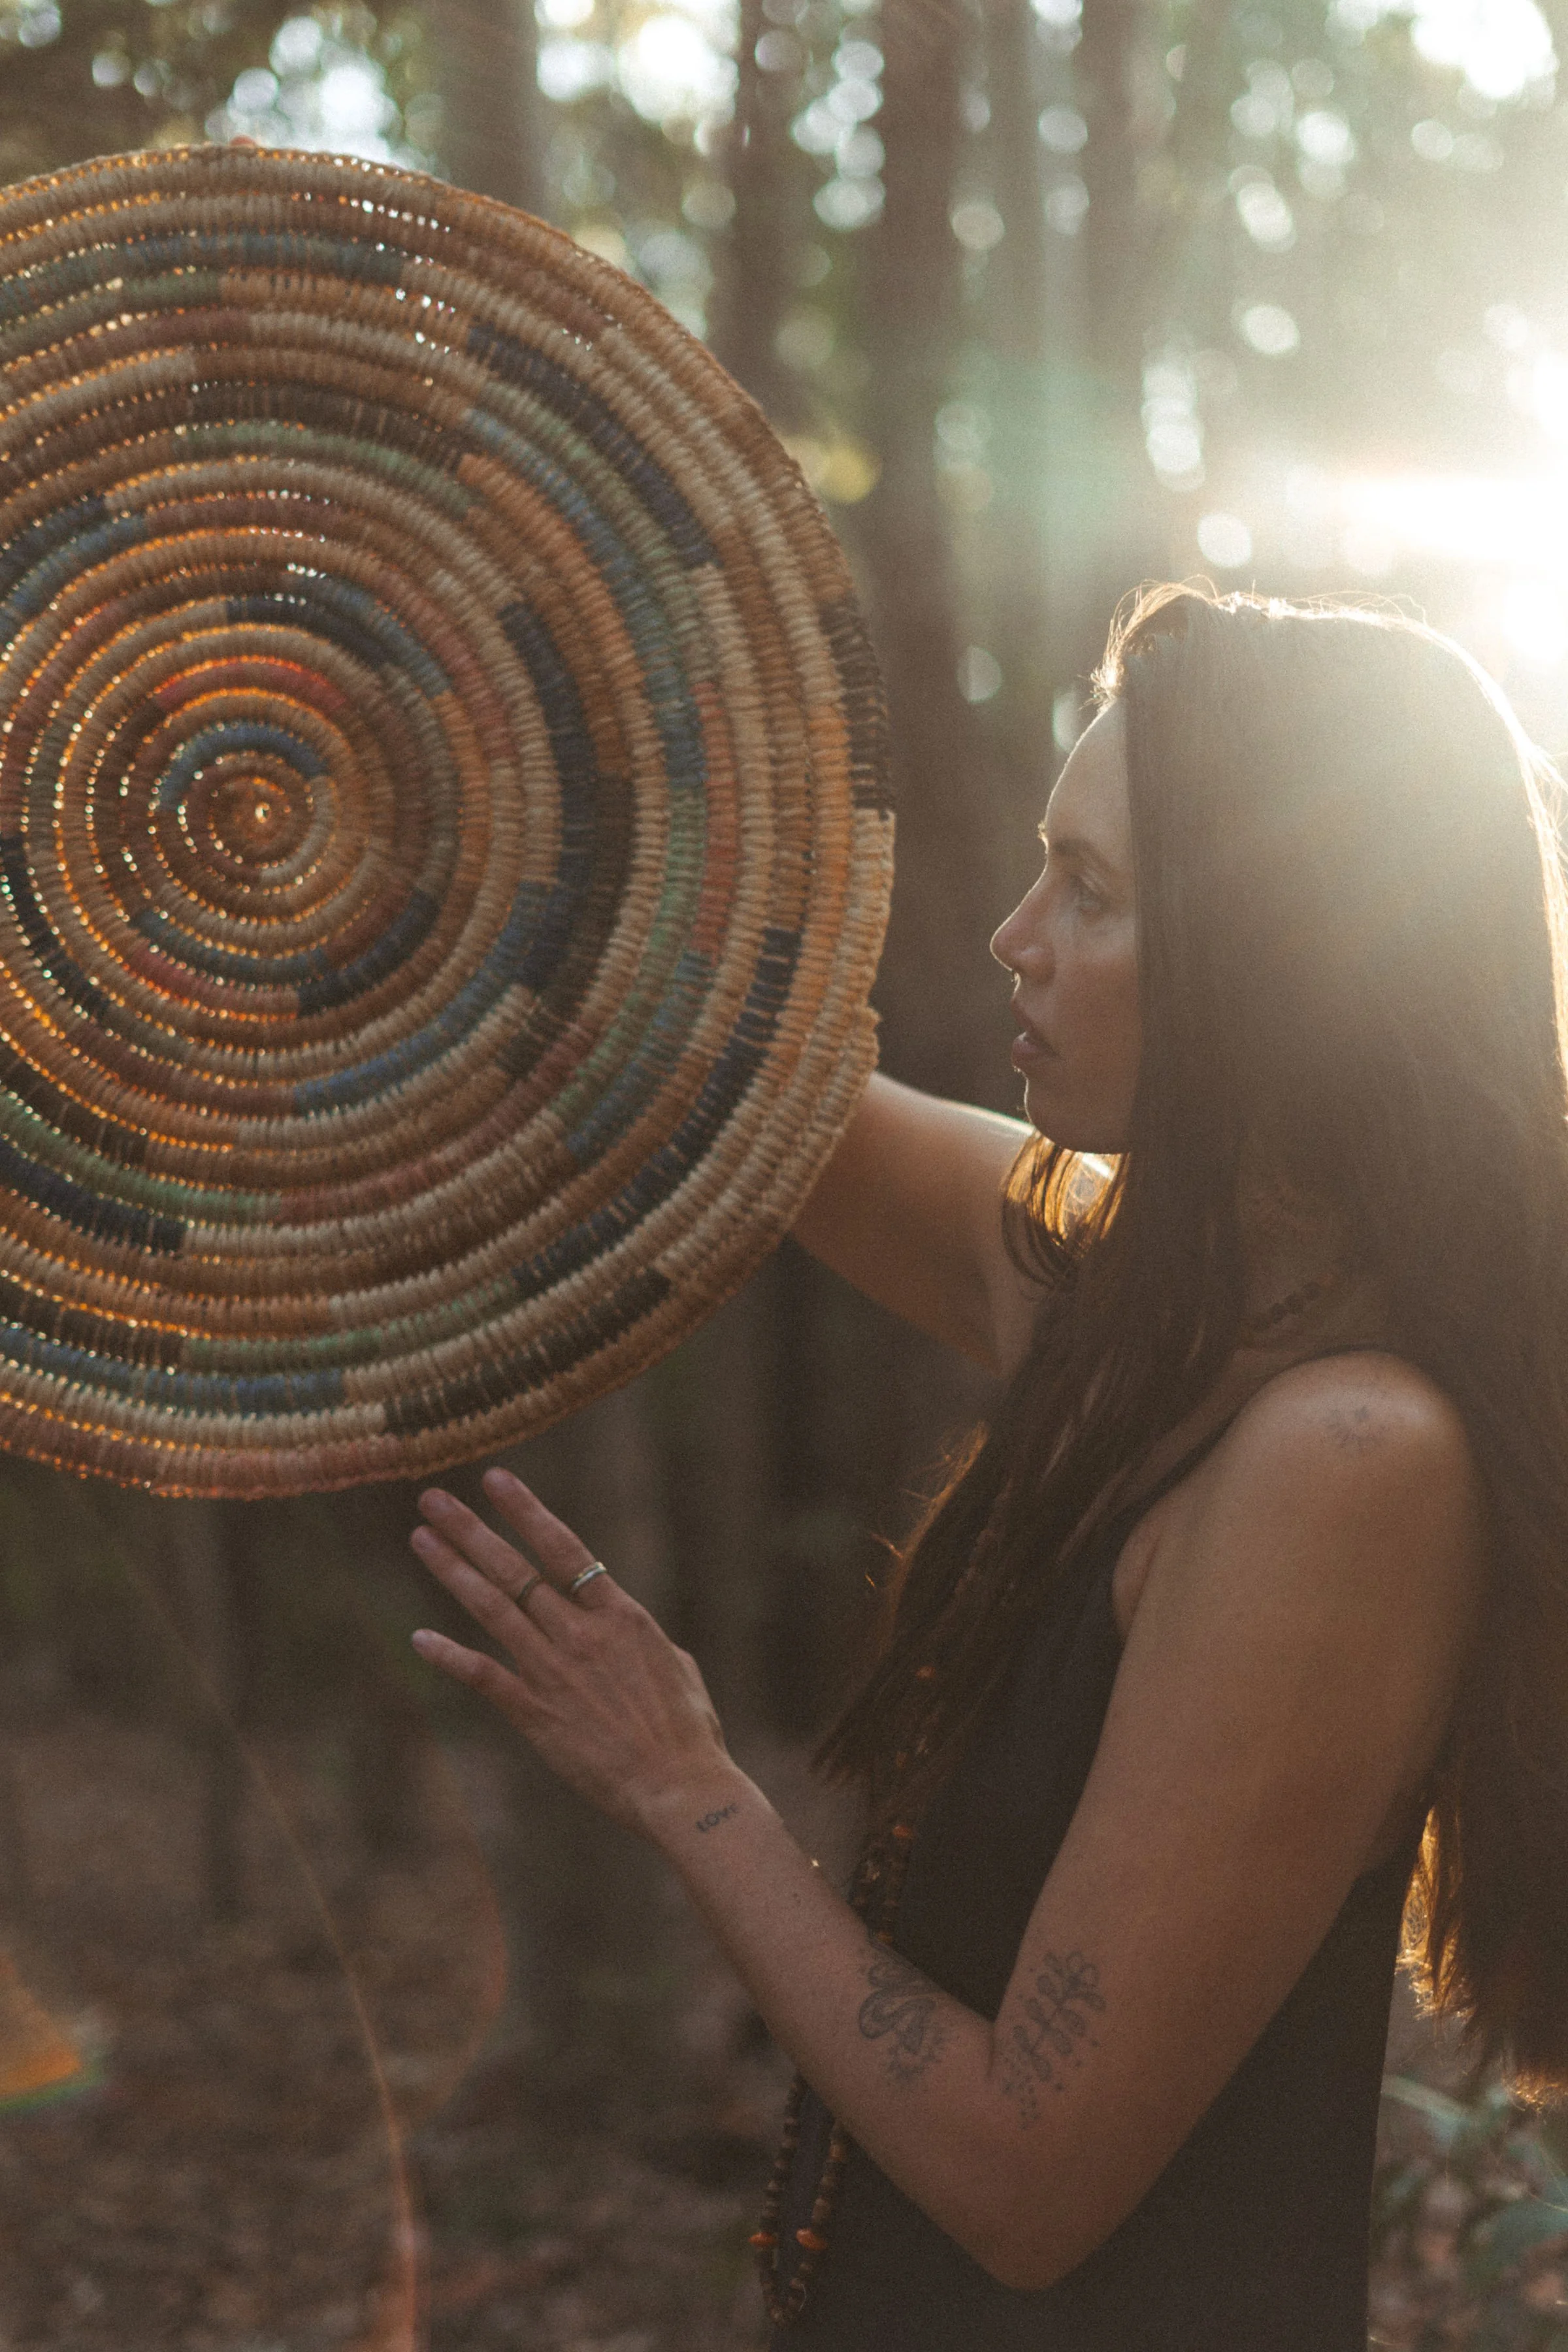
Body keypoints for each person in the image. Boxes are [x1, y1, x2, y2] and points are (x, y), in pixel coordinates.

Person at [404, 582, 1568, 2347]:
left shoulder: (1350, 1460)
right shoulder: (1139, 1321)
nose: (1016, 936)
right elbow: (734, 1101)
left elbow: (1031, 2178)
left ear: (1276, 954)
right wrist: (425, 811)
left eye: (1093, 891)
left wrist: (681, 1780)